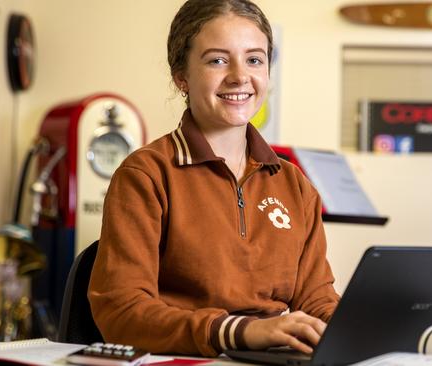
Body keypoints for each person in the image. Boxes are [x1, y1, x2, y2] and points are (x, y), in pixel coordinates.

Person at [88, 0, 340, 357]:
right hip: (182, 359)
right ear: (182, 76)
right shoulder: (145, 175)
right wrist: (241, 332)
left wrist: (360, 327)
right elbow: (121, 312)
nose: (240, 76)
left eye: (254, 59)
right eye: (218, 60)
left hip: (269, 359)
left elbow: (316, 299)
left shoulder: (294, 184)